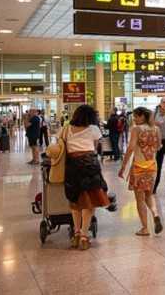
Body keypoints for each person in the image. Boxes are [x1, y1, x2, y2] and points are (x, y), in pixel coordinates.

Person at [63, 105, 110, 250]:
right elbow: (95, 147)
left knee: (75, 200)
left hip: (72, 166)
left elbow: (61, 145)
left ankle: (76, 235)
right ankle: (84, 237)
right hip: (90, 166)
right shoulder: (93, 129)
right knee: (90, 202)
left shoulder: (66, 129)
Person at [119, 107, 164, 236]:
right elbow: (159, 146)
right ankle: (155, 214)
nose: (134, 119)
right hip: (152, 167)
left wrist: (123, 166)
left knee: (140, 199)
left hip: (139, 167)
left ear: (142, 117)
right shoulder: (156, 129)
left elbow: (131, 148)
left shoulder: (136, 129)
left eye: (136, 116)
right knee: (149, 195)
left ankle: (145, 228)